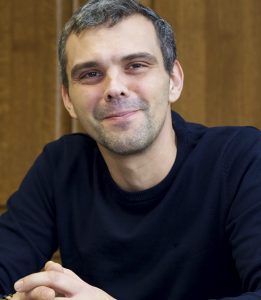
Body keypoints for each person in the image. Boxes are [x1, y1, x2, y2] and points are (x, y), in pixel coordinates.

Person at [0, 0, 261, 299]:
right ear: (68, 99)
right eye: (90, 74)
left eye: (136, 65)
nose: (114, 87)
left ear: (173, 81)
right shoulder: (61, 167)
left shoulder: (241, 159)